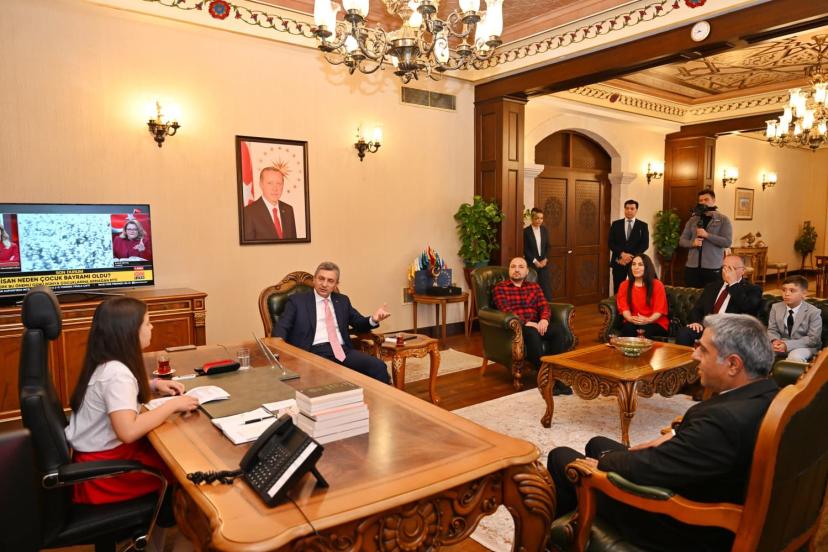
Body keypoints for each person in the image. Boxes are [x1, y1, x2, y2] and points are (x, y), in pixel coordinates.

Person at [547, 314, 779, 552]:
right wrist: (676, 434)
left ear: (733, 364)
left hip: (680, 525)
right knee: (598, 443)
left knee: (562, 458)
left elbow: (651, 466)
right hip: (710, 490)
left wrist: (603, 464)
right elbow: (700, 448)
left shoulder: (722, 422)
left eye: (703, 350)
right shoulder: (772, 398)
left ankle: (561, 538)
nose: (694, 355)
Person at [64, 297, 198, 517]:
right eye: (147, 322)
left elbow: (112, 394)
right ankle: (176, 523)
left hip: (94, 462)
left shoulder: (107, 363)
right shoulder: (117, 374)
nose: (152, 327)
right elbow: (128, 431)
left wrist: (153, 384)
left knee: (171, 454)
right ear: (129, 331)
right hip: (107, 476)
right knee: (185, 468)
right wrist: (173, 404)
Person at [274, 261, 391, 383]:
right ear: (314, 279)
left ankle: (379, 396)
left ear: (336, 284)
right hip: (312, 352)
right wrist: (282, 352)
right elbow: (281, 328)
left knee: (378, 366)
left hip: (342, 351)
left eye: (330, 281)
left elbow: (358, 322)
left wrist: (374, 319)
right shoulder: (297, 301)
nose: (324, 284)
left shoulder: (342, 301)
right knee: (329, 377)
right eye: (321, 279)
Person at [493, 257, 571, 394]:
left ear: (527, 271)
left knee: (558, 330)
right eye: (513, 266)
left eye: (521, 267)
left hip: (537, 324)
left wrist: (544, 320)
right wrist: (527, 322)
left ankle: (556, 375)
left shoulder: (534, 287)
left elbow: (544, 305)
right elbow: (505, 310)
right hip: (516, 327)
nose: (516, 269)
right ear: (509, 270)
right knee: (531, 332)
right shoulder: (501, 288)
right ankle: (545, 378)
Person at [675, 255, 762, 346]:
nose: (726, 272)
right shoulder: (712, 287)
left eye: (731, 269)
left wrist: (733, 284)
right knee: (684, 333)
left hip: (730, 332)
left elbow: (748, 306)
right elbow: (697, 310)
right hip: (707, 327)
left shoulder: (753, 289)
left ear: (743, 270)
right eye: (724, 267)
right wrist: (696, 322)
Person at [678, 189, 732, 288]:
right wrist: (692, 243)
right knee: (691, 295)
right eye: (701, 200)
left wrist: (707, 235)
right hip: (692, 267)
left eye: (706, 199)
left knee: (711, 296)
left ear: (713, 200)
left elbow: (727, 242)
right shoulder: (692, 220)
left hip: (713, 268)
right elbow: (682, 241)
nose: (703, 202)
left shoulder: (723, 219)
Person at [767, 275, 822, 362]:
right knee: (757, 351)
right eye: (784, 290)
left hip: (804, 346)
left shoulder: (813, 312)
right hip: (781, 344)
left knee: (795, 357)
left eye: (792, 290)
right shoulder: (776, 307)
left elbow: (813, 339)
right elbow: (772, 330)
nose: (786, 294)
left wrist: (786, 345)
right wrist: (775, 341)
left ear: (804, 294)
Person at [615, 254, 668, 339]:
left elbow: (659, 311)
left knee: (644, 329)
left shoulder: (657, 285)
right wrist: (630, 318)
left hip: (655, 322)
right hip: (633, 320)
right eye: (634, 264)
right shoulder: (624, 285)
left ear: (647, 268)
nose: (636, 267)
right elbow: (624, 308)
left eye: (640, 265)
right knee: (628, 328)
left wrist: (648, 320)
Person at [243, 167, 297, 241]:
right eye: (270, 183)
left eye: (279, 183)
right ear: (261, 185)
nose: (275, 188)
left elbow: (294, 244)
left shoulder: (288, 210)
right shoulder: (248, 212)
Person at [608, 199, 649, 294]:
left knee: (635, 288)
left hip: (635, 263)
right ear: (624, 209)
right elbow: (610, 243)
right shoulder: (616, 224)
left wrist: (630, 256)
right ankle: (618, 303)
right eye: (627, 208)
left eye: (632, 208)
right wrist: (622, 254)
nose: (629, 211)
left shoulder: (643, 225)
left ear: (636, 210)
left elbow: (645, 244)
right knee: (618, 288)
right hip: (619, 261)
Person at [523, 207, 552, 300]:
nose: (540, 220)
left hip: (543, 264)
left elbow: (548, 246)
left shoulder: (544, 230)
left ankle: (548, 308)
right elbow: (525, 249)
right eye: (537, 218)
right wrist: (535, 261)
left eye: (541, 218)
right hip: (532, 265)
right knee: (531, 291)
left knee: (546, 291)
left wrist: (545, 259)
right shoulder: (526, 231)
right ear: (532, 218)